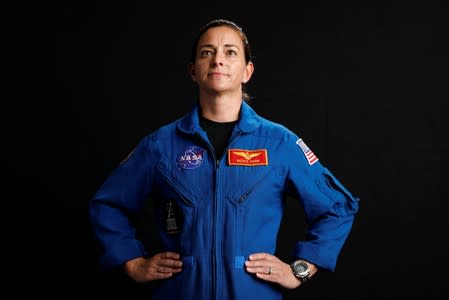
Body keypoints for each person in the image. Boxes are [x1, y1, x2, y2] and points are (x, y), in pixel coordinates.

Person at [89, 18, 359, 300]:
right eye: (207, 52)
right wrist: (133, 262)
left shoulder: (280, 143)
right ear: (193, 71)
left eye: (230, 52)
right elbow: (108, 205)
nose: (218, 60)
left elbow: (338, 206)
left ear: (247, 71)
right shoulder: (160, 146)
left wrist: (301, 269)